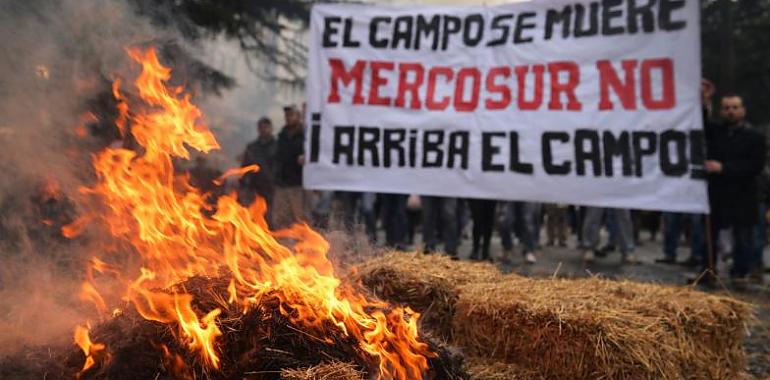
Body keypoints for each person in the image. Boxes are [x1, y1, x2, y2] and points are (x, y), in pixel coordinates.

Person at [703, 94, 767, 286]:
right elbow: (699, 123)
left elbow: (755, 165)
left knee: (743, 236)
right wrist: (704, 102)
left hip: (743, 193)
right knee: (710, 233)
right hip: (717, 192)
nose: (731, 111)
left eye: (735, 107)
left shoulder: (755, 136)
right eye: (726, 108)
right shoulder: (716, 132)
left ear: (743, 110)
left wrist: (724, 168)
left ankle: (741, 272)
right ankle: (708, 269)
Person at [273, 104, 308, 228]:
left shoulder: (306, 135)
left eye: (291, 114)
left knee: (299, 218)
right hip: (281, 182)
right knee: (279, 218)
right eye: (286, 115)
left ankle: (301, 245)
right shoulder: (282, 135)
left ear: (298, 116)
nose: (288, 117)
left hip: (297, 184)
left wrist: (306, 157)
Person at [239, 117, 276, 221]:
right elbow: (245, 166)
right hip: (254, 186)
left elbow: (280, 166)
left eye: (266, 127)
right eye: (261, 127)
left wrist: (275, 180)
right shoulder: (252, 147)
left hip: (271, 187)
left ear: (271, 128)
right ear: (258, 129)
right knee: (253, 215)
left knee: (269, 216)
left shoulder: (277, 146)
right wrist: (243, 183)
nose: (264, 129)